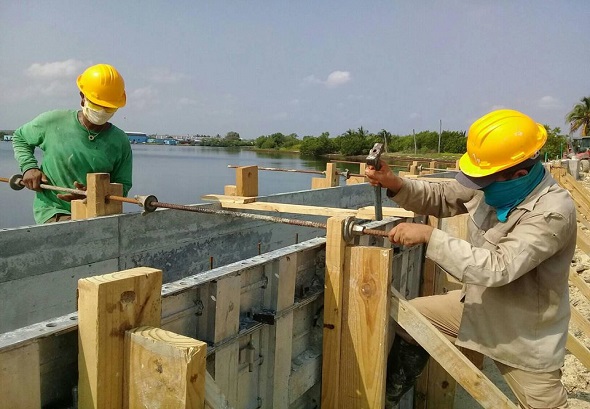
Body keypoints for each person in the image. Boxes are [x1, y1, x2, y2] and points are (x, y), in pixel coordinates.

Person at [366, 109, 575, 409]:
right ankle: (386, 400)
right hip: (477, 305)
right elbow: (444, 196)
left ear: (518, 174)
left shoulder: (553, 211)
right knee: (411, 320)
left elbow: (500, 267)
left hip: (523, 330)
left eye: (483, 182)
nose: (476, 188)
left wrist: (429, 236)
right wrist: (394, 184)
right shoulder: (492, 179)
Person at [12, 63, 132, 224]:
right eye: (97, 104)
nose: (102, 111)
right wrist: (29, 167)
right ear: (82, 97)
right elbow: (20, 137)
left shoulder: (120, 141)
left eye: (108, 108)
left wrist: (94, 195)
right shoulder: (53, 122)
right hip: (54, 210)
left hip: (98, 213)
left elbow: (123, 185)